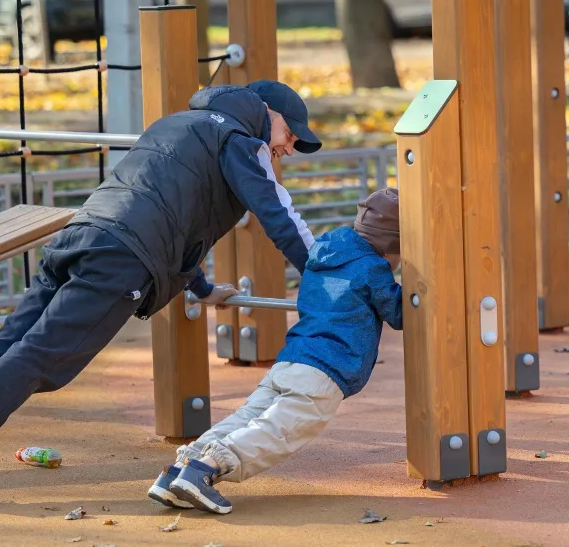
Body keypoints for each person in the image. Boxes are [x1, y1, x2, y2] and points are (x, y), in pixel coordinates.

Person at [0, 80, 322, 506]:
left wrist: (202, 288)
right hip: (124, 257)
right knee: (49, 352)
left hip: (82, 233)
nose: (287, 148)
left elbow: (175, 215)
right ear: (269, 113)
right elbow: (277, 215)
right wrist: (325, 280)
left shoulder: (179, 123)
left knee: (11, 340)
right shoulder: (241, 142)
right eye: (289, 135)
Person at [147, 188, 402, 514]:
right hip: (326, 371)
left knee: (247, 417)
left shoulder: (324, 252)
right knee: (277, 431)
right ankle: (205, 470)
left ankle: (178, 471)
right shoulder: (372, 270)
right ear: (390, 248)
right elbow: (400, 312)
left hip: (291, 360)